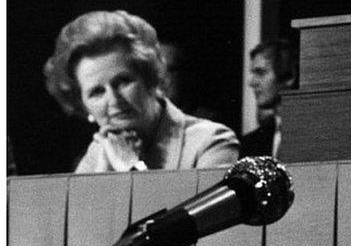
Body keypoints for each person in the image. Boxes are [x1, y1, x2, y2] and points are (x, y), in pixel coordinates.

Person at [43, 10, 239, 172]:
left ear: (149, 78)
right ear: (84, 106)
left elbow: (189, 219)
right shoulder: (96, 155)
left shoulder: (210, 142)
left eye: (123, 81)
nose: (114, 100)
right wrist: (103, 170)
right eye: (96, 92)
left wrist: (132, 168)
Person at [241, 39, 297, 157]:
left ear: (289, 77)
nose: (251, 82)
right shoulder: (250, 144)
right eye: (253, 73)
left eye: (260, 73)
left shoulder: (314, 134)